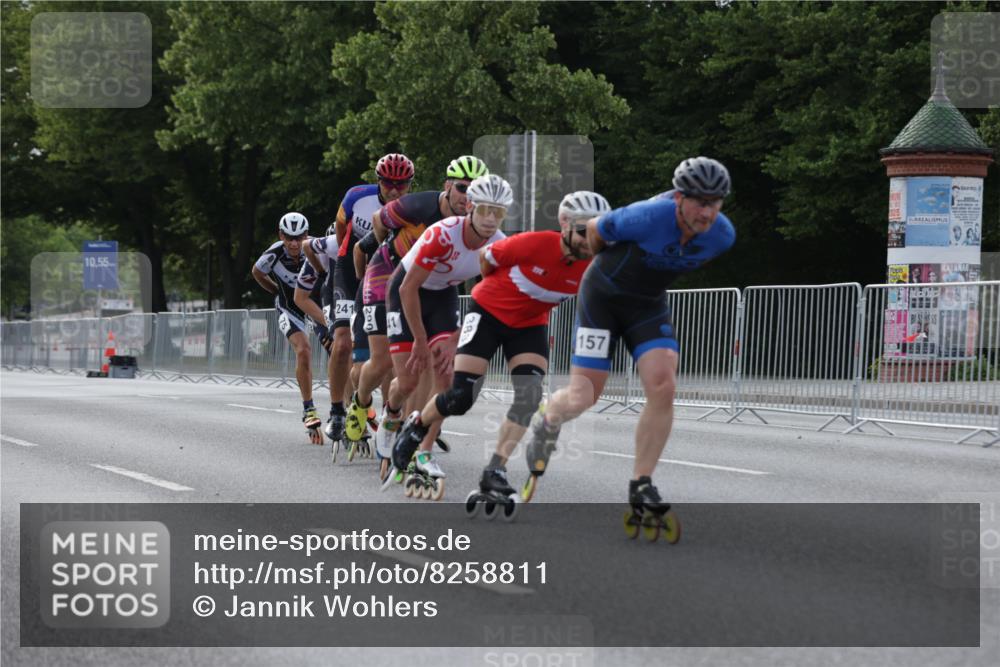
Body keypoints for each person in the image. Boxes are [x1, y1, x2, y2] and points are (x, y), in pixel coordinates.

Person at [521, 157, 736, 528]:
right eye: (699, 201)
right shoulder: (647, 216)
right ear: (679, 198)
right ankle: (548, 417)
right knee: (584, 395)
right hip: (601, 298)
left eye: (715, 203)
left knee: (663, 384)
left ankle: (641, 485)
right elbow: (594, 230)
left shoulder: (722, 235)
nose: (707, 211)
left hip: (647, 306)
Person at [392, 190, 610, 508]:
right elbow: (487, 260)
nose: (588, 241)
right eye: (581, 232)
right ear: (564, 225)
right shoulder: (533, 243)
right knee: (460, 397)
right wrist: (490, 298)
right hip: (488, 313)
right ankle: (417, 425)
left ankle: (496, 468)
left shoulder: (596, 266)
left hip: (530, 324)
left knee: (529, 396)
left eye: (597, 233)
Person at [345, 155, 490, 459]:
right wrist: (386, 242)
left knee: (424, 362)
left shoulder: (477, 220)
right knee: (382, 361)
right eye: (462, 188)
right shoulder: (417, 206)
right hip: (388, 272)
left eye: (476, 191)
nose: (468, 197)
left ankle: (409, 429)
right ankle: (360, 401)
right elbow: (378, 221)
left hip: (432, 285)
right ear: (447, 186)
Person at [382, 173, 512, 498]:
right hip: (406, 292)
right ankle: (392, 412)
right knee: (410, 379)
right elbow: (408, 287)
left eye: (498, 212)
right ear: (470, 206)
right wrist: (422, 342)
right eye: (484, 209)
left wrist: (455, 337)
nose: (490, 219)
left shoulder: (498, 244)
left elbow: (487, 292)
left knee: (447, 378)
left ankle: (423, 451)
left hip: (443, 297)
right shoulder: (442, 234)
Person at [306, 154, 414, 444]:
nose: (394, 189)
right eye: (389, 183)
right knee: (341, 344)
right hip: (348, 268)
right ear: (378, 181)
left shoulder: (409, 209)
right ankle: (338, 412)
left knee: (382, 351)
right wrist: (347, 252)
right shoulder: (357, 196)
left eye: (402, 185)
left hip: (379, 275)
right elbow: (342, 228)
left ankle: (383, 410)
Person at [251, 212, 321, 434]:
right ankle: (309, 408)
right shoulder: (273, 254)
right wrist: (275, 290)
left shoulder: (315, 248)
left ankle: (346, 409)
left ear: (306, 235)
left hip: (314, 305)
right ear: (281, 235)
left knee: (340, 348)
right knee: (303, 350)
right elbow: (257, 272)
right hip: (289, 308)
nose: (294, 243)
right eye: (289, 237)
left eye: (299, 238)